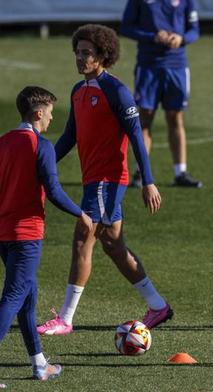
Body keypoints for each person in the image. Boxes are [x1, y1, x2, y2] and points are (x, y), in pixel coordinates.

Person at [37, 24, 172, 336]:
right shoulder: (79, 91)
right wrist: (42, 165)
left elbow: (137, 137)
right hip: (92, 180)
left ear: (103, 56)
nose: (81, 58)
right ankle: (158, 305)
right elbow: (70, 136)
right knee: (113, 244)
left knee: (83, 238)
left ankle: (66, 319)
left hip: (107, 180)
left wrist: (148, 181)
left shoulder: (116, 91)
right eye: (78, 52)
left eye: (87, 53)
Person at [0, 86, 93, 382]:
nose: (52, 119)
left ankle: (39, 364)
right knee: (14, 296)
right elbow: (53, 191)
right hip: (26, 235)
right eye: (51, 113)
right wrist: (81, 213)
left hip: (3, 233)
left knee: (28, 296)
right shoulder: (41, 146)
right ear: (38, 113)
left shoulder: (3, 143)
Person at [121, 0, 202, 188]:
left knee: (175, 117)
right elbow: (126, 27)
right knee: (145, 118)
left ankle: (180, 172)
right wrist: (153, 36)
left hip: (177, 66)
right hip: (148, 66)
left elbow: (194, 30)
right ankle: (141, 173)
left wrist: (181, 39)